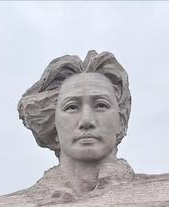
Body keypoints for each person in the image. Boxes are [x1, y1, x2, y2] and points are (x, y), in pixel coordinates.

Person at [17, 51, 132, 199]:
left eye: (101, 105)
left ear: (121, 119)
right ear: (52, 123)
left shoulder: (158, 195)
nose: (86, 121)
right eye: (71, 107)